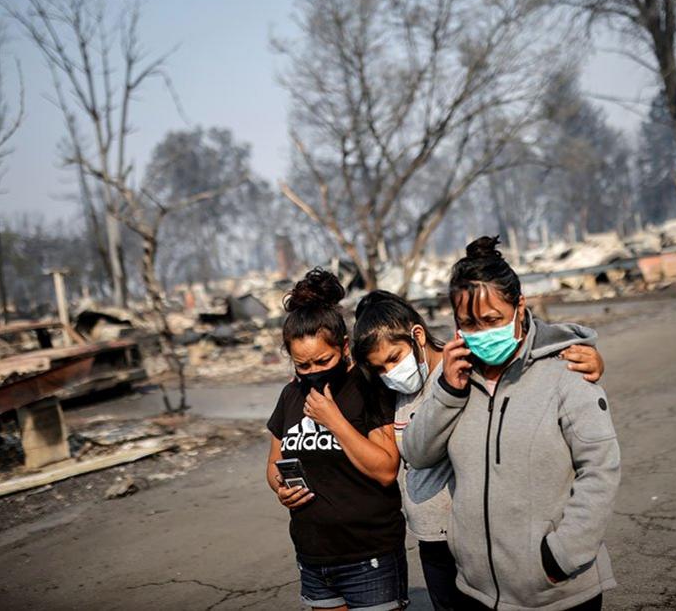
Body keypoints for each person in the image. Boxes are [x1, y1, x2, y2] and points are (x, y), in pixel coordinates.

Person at [352, 290, 606, 611]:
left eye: (393, 359)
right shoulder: (392, 391)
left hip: (473, 537)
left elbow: (522, 366)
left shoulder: (460, 370)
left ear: (417, 335)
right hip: (430, 538)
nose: (390, 372)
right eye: (379, 368)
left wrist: (592, 358)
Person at [404, 237, 621, 611]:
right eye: (468, 323)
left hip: (557, 591)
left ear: (520, 307)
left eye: (492, 320)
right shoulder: (457, 377)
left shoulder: (566, 369)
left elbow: (600, 468)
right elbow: (416, 452)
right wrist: (446, 391)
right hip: (476, 591)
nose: (482, 333)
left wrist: (563, 555)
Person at [265, 268, 408, 611]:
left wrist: (334, 420)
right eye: (303, 364)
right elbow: (274, 463)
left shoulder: (367, 388)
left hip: (368, 555)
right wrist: (280, 487)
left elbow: (387, 470)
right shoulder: (290, 395)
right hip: (313, 556)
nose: (313, 371)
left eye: (322, 361)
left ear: (343, 347)